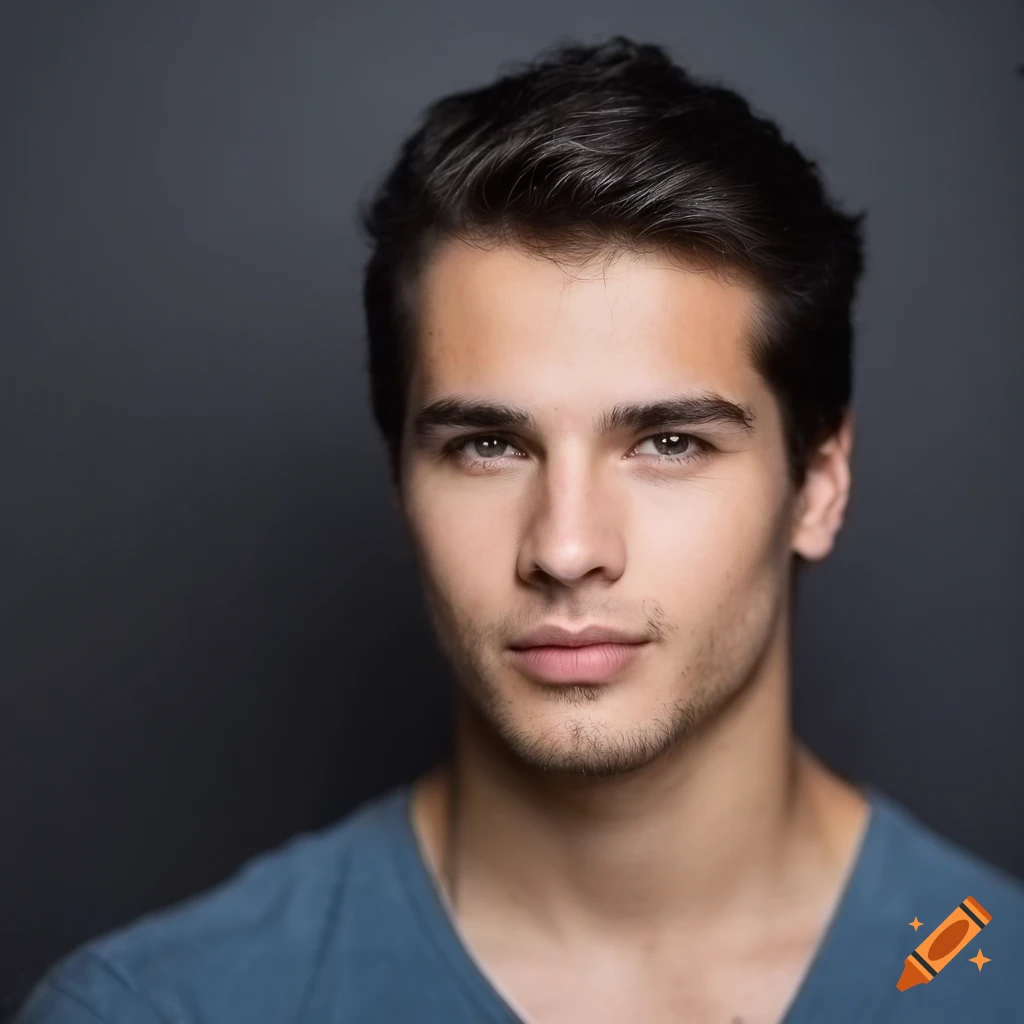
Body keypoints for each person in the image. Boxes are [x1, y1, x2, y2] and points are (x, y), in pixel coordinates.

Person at [14, 34, 1024, 1024]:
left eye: (669, 442)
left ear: (817, 484)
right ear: (400, 480)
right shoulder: (159, 1007)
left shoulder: (992, 974)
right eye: (488, 447)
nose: (566, 547)